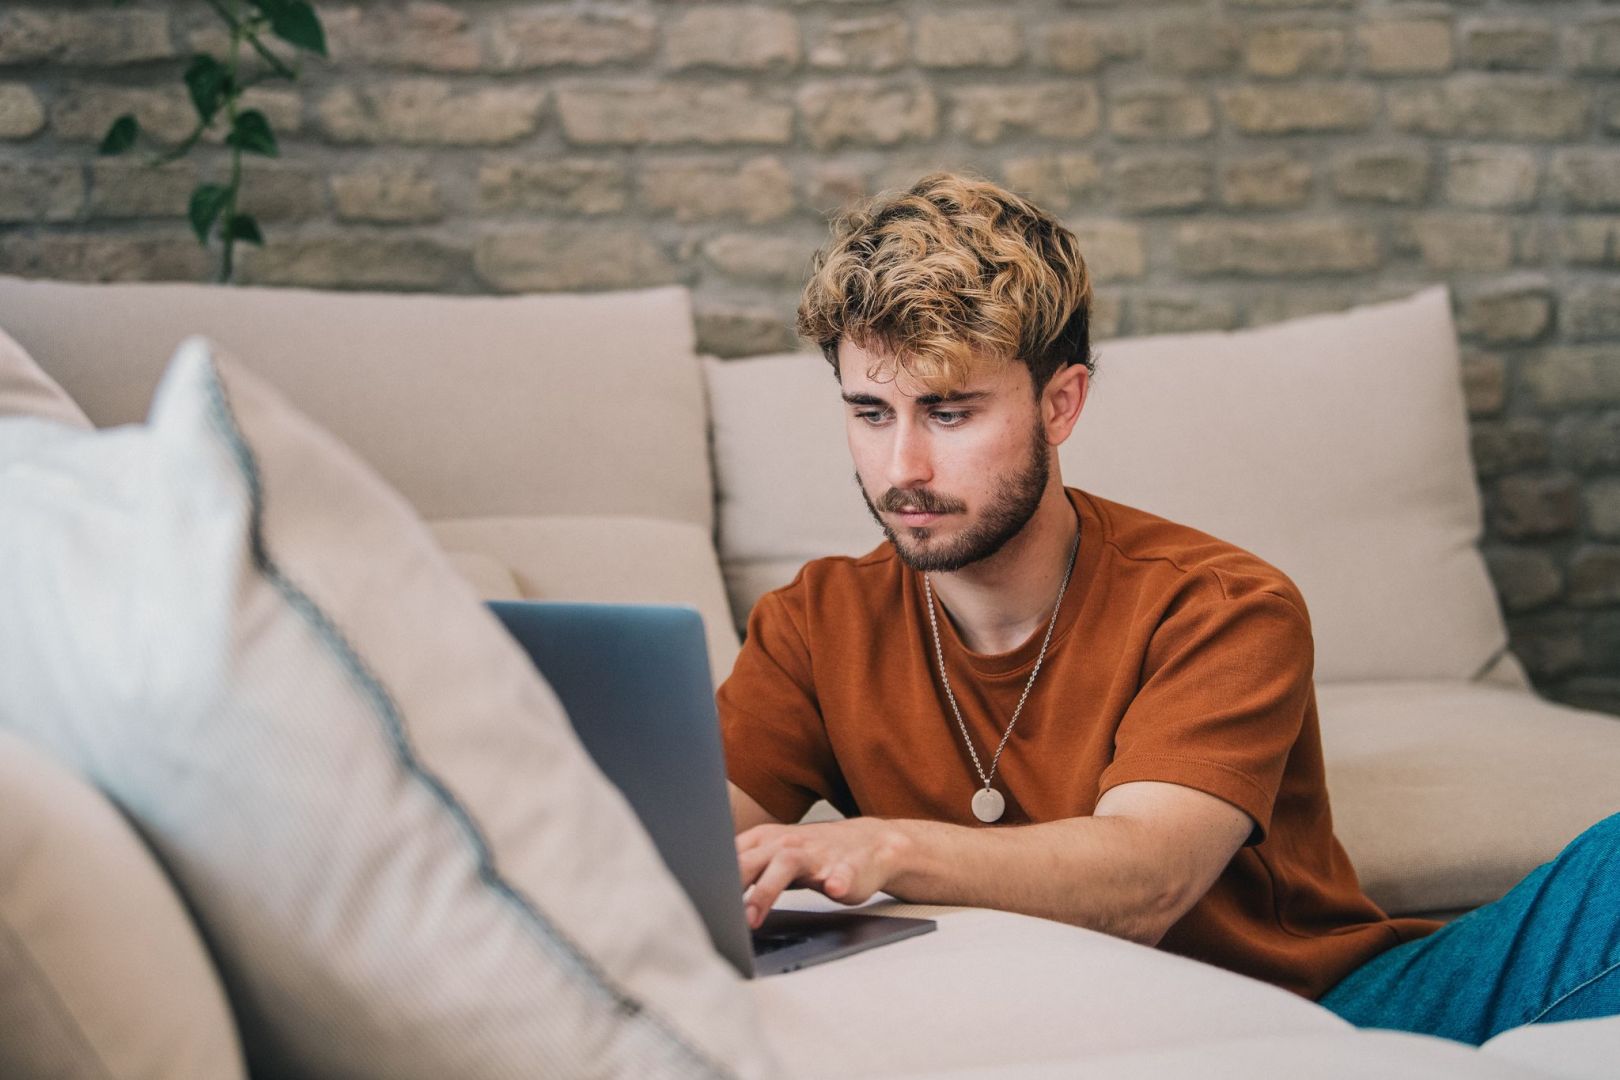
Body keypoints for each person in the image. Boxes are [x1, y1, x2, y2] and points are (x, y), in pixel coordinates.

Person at [716, 171, 1620, 1045]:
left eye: (949, 412)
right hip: (1027, 1038)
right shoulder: (814, 621)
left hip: (1322, 1021)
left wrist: (886, 851)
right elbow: (677, 843)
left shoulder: (1221, 606)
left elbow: (1145, 880)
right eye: (871, 412)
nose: (901, 468)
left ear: (1061, 402)